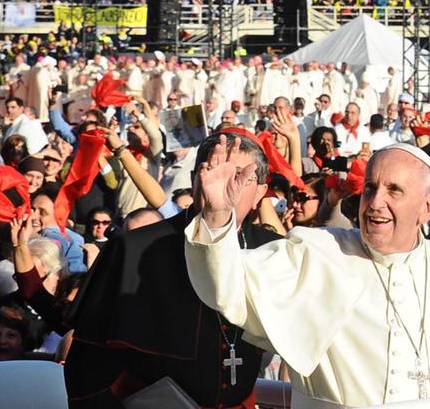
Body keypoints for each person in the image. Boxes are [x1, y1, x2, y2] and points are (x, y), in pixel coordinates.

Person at [183, 142, 430, 408]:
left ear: (428, 208)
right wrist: (217, 218)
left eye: (394, 191)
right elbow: (228, 287)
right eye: (370, 188)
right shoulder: (317, 252)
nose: (376, 202)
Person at [64, 129, 282, 409]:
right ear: (195, 181)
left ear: (260, 193)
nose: (228, 185)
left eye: (240, 175)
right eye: (215, 170)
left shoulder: (272, 251)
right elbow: (87, 368)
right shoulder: (133, 249)